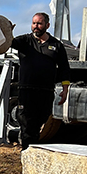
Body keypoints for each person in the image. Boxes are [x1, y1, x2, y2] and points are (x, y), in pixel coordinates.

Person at [10, 12, 70, 150]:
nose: (35, 26)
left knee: (40, 122)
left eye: (39, 23)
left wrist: (65, 89)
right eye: (34, 23)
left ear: (47, 25)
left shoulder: (56, 45)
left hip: (46, 91)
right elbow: (9, 42)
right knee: (26, 122)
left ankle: (31, 149)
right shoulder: (24, 41)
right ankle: (27, 151)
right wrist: (8, 31)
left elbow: (64, 68)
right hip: (26, 90)